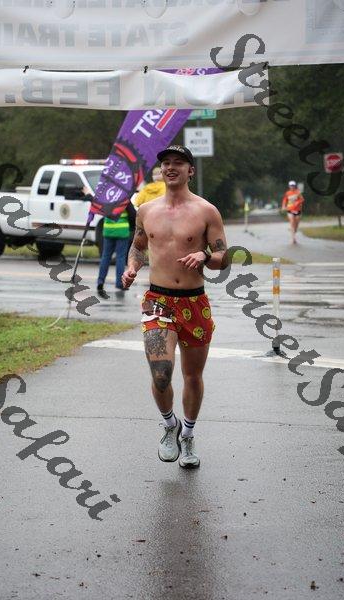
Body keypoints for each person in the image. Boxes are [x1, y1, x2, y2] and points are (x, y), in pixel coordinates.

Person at [122, 145, 228, 469]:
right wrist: (131, 267)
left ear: (190, 171)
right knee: (161, 374)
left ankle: (189, 434)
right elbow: (138, 247)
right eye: (166, 163)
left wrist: (205, 256)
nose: (171, 167)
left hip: (194, 303)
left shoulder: (207, 211)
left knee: (192, 376)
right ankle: (170, 426)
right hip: (158, 301)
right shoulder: (146, 210)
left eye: (178, 163)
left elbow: (223, 257)